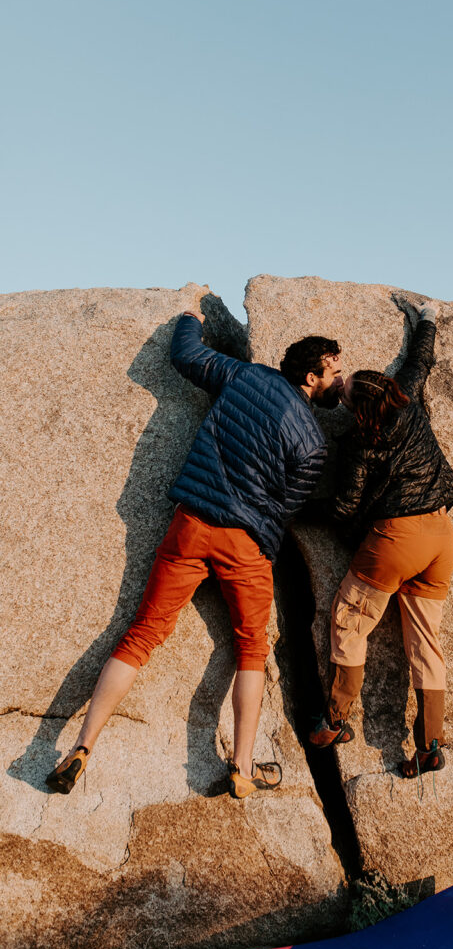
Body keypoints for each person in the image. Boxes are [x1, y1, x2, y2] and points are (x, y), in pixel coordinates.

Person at [46, 297, 342, 799]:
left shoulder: (244, 377)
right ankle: (243, 768)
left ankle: (81, 746)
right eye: (335, 369)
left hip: (192, 524)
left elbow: (184, 354)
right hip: (245, 545)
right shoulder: (313, 443)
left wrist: (192, 315)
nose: (340, 377)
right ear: (311, 377)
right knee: (251, 648)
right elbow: (284, 507)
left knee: (142, 633)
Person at [309, 300, 453, 779]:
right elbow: (420, 361)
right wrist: (429, 316)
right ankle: (431, 742)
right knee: (425, 641)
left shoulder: (360, 444)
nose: (343, 385)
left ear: (356, 408)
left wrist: (296, 512)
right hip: (442, 537)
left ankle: (335, 720)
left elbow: (344, 508)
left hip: (398, 538)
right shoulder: (410, 398)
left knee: (350, 623)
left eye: (347, 389)